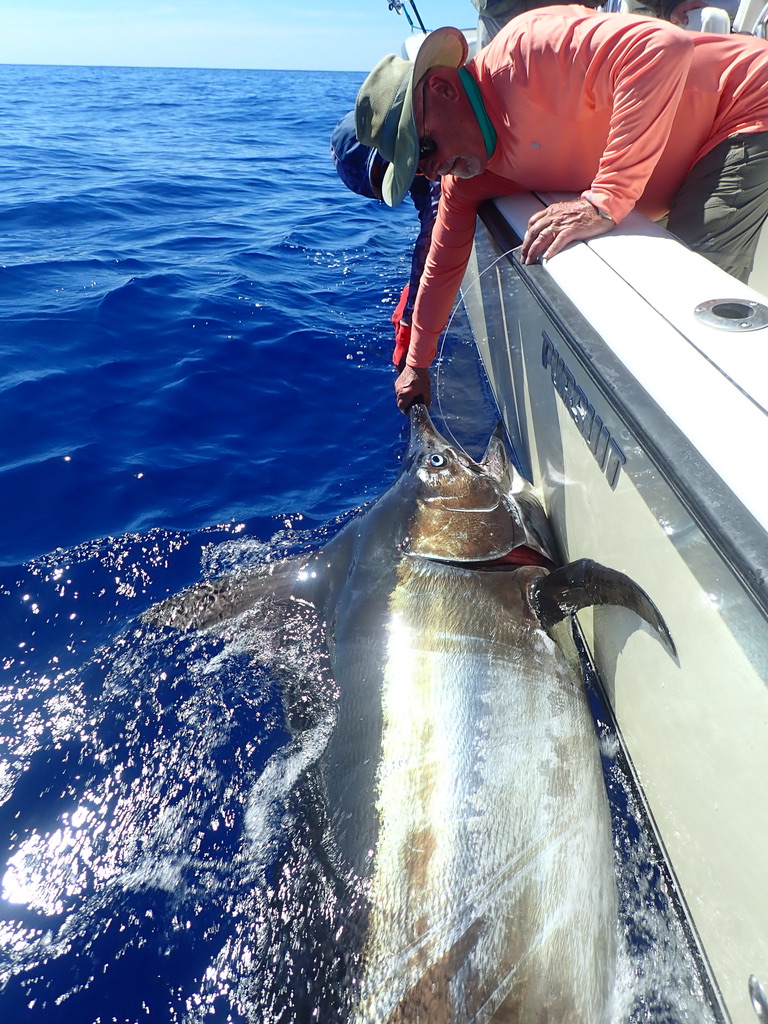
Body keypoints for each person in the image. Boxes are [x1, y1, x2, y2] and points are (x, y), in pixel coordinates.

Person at [354, 5, 768, 412]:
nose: (430, 171)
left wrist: (606, 200)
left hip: (742, 104)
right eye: (416, 168)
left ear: (443, 88)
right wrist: (417, 364)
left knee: (689, 310)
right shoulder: (465, 178)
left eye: (423, 149)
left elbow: (663, 46)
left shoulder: (525, 52)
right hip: (693, 161)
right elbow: (441, 265)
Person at [330, 110, 440, 370]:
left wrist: (411, 319)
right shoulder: (416, 166)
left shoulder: (429, 137)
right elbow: (428, 204)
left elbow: (439, 215)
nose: (412, 176)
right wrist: (417, 289)